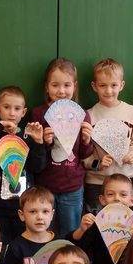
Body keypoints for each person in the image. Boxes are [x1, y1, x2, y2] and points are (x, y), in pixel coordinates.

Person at [30, 58, 93, 238]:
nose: (61, 91)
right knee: (43, 232)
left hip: (72, 186)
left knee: (71, 233)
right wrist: (44, 142)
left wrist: (87, 140)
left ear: (75, 86)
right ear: (47, 87)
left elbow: (84, 154)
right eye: (55, 85)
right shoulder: (38, 113)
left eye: (67, 85)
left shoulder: (83, 115)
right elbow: (34, 156)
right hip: (45, 185)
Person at [0, 86, 46, 246]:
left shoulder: (28, 136)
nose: (12, 113)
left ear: (24, 112)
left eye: (17, 108)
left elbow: (38, 167)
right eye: (7, 107)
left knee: (23, 242)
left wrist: (38, 143)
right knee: (0, 244)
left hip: (24, 206)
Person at [82, 58, 133, 213]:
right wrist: (98, 163)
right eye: (103, 85)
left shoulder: (131, 112)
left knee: (123, 222)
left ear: (121, 85)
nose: (108, 91)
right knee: (96, 223)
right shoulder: (88, 115)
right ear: (94, 86)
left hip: (124, 183)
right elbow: (83, 154)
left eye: (113, 85)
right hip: (97, 182)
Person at [67, 173, 133, 264]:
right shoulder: (96, 223)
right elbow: (77, 249)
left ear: (132, 200)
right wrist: (82, 229)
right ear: (102, 199)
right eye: (111, 194)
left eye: (123, 195)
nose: (117, 198)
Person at [4, 185, 55, 264]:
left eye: (45, 211)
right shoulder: (15, 248)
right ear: (22, 215)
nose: (40, 217)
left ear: (52, 214)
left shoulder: (59, 243)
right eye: (33, 212)